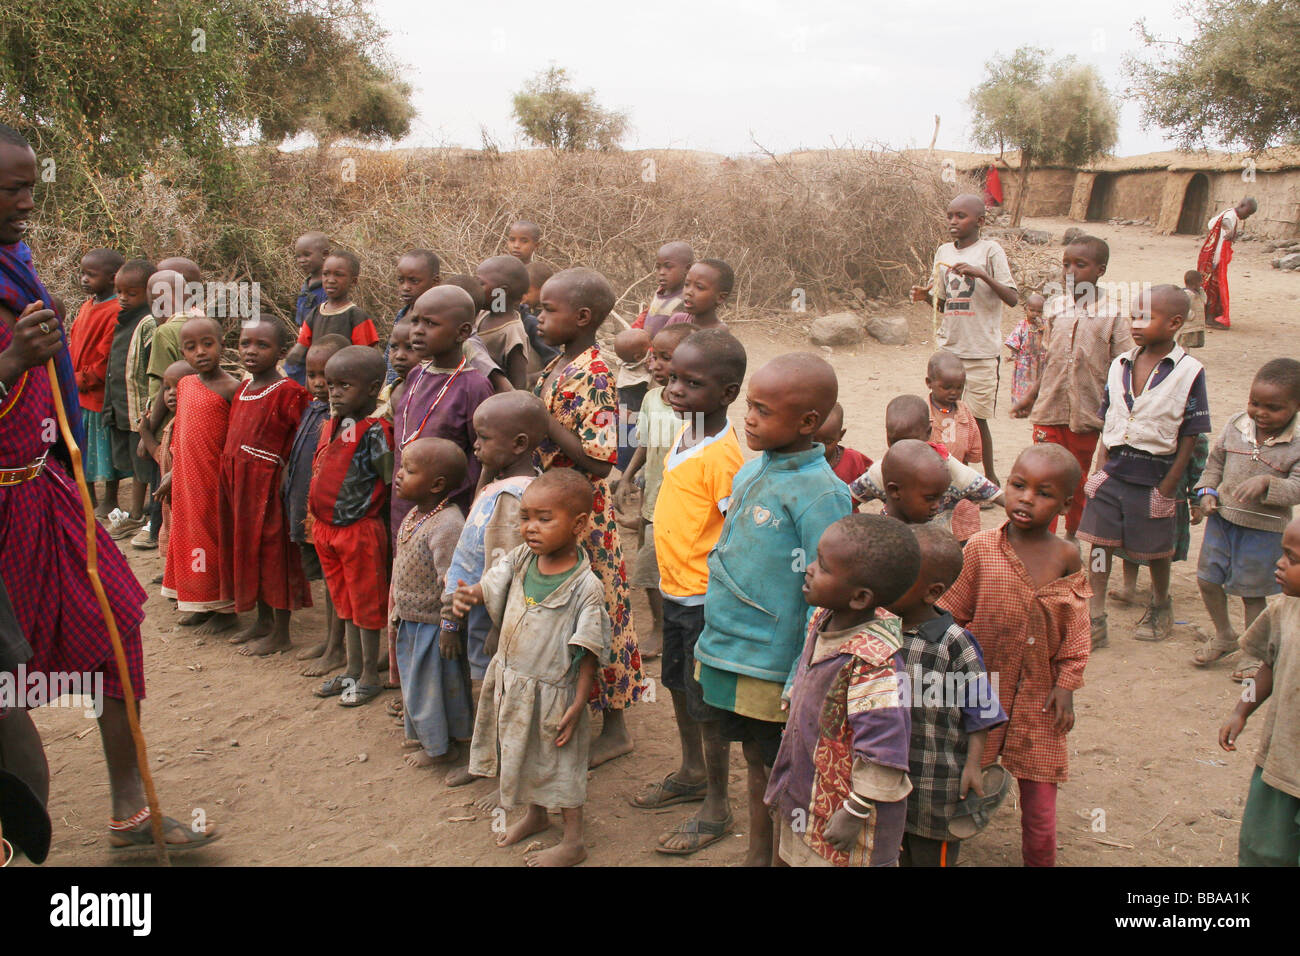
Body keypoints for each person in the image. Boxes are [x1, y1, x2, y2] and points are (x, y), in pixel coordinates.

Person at [0, 123, 216, 848]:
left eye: (31, 184)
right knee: (5, 687)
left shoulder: (14, 269)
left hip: (41, 491)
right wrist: (8, 364)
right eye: (12, 188)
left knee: (116, 630)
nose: (27, 201)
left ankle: (131, 811)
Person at [664, 353, 849, 863]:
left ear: (808, 422)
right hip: (727, 646)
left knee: (777, 766)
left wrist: (802, 670)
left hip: (774, 664)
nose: (749, 419)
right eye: (750, 406)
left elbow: (826, 597)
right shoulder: (750, 472)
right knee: (753, 757)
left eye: (763, 411)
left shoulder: (822, 495)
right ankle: (758, 855)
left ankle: (777, 856)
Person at [939, 444, 1090, 866]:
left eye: (1043, 493)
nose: (1025, 498)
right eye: (1018, 485)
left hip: (1041, 697)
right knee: (960, 791)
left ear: (1065, 503)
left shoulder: (1067, 557)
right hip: (980, 690)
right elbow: (950, 616)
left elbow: (1075, 628)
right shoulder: (981, 548)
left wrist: (1067, 685)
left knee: (1041, 813)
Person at [454, 469, 612, 868]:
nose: (531, 528)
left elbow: (588, 650)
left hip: (556, 693)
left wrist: (578, 703)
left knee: (561, 764)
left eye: (545, 519)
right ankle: (537, 815)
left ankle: (574, 841)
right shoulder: (524, 557)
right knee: (521, 751)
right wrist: (472, 593)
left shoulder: (585, 587)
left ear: (577, 524)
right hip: (514, 680)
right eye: (525, 517)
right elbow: (494, 582)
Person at [630, 330, 746, 833]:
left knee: (708, 702)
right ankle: (692, 771)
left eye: (691, 382)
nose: (674, 389)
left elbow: (736, 536)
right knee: (677, 685)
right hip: (676, 592)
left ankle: (717, 804)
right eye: (673, 377)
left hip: (703, 601)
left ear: (727, 394)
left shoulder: (725, 458)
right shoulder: (688, 431)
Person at [533, 267, 646, 768]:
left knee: (603, 614)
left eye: (546, 310)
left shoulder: (595, 372)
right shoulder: (560, 362)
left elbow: (601, 459)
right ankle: (578, 709)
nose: (537, 317)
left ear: (581, 317)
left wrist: (544, 423)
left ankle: (616, 727)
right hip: (560, 506)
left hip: (588, 517)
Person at [765, 514, 918, 866]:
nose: (809, 569)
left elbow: (884, 750)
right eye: (816, 558)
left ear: (860, 597)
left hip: (846, 813)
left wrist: (854, 812)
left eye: (825, 567)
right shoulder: (824, 617)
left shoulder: (873, 663)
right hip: (808, 787)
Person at [1078, 285, 1212, 646]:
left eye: (1146, 317)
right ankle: (1096, 615)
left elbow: (1191, 434)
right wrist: (1100, 469)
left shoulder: (1189, 372)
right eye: (1133, 315)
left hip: (1157, 474)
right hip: (1116, 470)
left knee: (1156, 550)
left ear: (1174, 323)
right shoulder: (1120, 364)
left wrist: (1171, 485)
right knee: (1100, 546)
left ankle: (1160, 604)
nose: (1136, 323)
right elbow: (1109, 421)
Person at [441, 391, 549, 791]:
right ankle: (489, 757)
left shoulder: (514, 497)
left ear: (519, 444)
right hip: (481, 609)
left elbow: (511, 570)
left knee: (497, 690)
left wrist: (495, 626)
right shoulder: (501, 484)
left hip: (497, 617)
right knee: (487, 686)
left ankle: (502, 763)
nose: (475, 445)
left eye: (484, 439)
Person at [890, 525, 1006, 867]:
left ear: (932, 592)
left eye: (898, 578)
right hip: (886, 777)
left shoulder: (954, 643)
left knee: (930, 856)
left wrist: (973, 765)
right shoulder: (877, 630)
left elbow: (980, 709)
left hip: (937, 782)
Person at [1012, 235, 1134, 540]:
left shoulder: (1114, 315)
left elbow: (1124, 367)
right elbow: (1050, 360)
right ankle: (1041, 536)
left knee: (1077, 481)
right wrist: (1030, 395)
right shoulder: (1055, 309)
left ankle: (1070, 539)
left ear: (1100, 270)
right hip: (1048, 410)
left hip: (1086, 417)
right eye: (1066, 264)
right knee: (1041, 476)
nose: (1071, 271)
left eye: (1080, 265)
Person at [1193, 359, 1300, 677]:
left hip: (1263, 530)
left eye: (1273, 408)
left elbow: (1297, 487)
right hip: (1223, 520)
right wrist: (1207, 492)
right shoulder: (1237, 426)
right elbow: (1215, 462)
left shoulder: (1296, 443)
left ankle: (1253, 652)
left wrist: (1269, 483)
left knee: (1251, 591)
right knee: (1208, 579)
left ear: (1296, 406)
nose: (1261, 413)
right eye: (1255, 403)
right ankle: (1225, 634)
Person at [910, 193, 1019, 488]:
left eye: (961, 216)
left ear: (980, 221)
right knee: (944, 415)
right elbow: (945, 304)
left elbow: (1012, 297)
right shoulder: (943, 251)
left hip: (981, 350)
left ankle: (988, 476)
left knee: (977, 418)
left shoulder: (990, 251)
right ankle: (950, 475)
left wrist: (981, 275)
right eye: (950, 216)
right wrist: (926, 297)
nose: (953, 222)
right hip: (950, 350)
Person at [307, 346, 395, 708]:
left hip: (359, 531)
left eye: (345, 385)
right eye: (331, 385)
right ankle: (352, 668)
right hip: (328, 530)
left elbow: (388, 480)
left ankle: (370, 676)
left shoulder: (376, 431)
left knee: (365, 605)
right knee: (343, 602)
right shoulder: (332, 424)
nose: (335, 392)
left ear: (373, 388)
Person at [220, 317, 312, 655]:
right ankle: (262, 621)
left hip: (269, 487)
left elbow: (303, 442)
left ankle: (281, 633)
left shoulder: (290, 392)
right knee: (248, 549)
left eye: (262, 345)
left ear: (281, 351)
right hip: (238, 485)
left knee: (275, 554)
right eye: (245, 343)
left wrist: (287, 479)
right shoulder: (242, 388)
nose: (251, 351)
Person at [1218, 516, 1300, 866]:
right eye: (1282, 554)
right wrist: (1241, 710)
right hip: (1283, 762)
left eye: (1292, 559)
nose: (1279, 564)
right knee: (1265, 850)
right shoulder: (1284, 610)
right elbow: (1268, 666)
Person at [385, 436, 471, 762]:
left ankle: (440, 749)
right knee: (416, 684)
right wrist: (398, 612)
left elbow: (454, 582)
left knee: (434, 688)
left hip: (434, 626)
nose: (399, 475)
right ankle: (426, 737)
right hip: (411, 621)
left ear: (436, 484)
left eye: (409, 470)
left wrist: (450, 625)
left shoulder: (447, 524)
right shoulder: (414, 515)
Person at [616, 322, 698, 659]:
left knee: (672, 570)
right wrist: (626, 477)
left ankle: (673, 629)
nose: (654, 364)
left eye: (665, 358)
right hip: (650, 504)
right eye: (654, 357)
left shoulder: (697, 409)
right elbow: (645, 444)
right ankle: (659, 627)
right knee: (648, 572)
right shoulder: (651, 398)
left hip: (681, 507)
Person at [160, 316, 239, 632]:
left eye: (207, 344)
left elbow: (235, 441)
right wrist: (172, 473)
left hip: (212, 482)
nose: (200, 353)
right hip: (185, 479)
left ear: (222, 345)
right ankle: (197, 603)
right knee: (186, 538)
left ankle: (223, 610)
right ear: (182, 352)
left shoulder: (232, 388)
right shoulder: (185, 384)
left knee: (211, 541)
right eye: (191, 348)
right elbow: (181, 433)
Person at [394, 284, 494, 526]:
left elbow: (483, 457)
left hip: (446, 511)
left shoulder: (474, 386)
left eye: (430, 324)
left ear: (463, 332)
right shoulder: (415, 375)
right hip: (403, 503)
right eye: (415, 321)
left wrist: (473, 509)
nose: (417, 331)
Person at [284, 334, 351, 676]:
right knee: (326, 580)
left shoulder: (344, 420)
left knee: (334, 582)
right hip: (307, 513)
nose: (320, 383)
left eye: (327, 375)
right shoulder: (313, 409)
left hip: (329, 516)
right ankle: (330, 640)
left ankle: (337, 646)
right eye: (312, 375)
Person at [849, 395, 1002, 528]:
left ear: (928, 431)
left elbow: (984, 487)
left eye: (910, 440)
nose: (904, 448)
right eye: (895, 441)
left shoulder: (945, 465)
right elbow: (845, 499)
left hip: (937, 547)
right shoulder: (883, 469)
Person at [101, 258, 156, 539]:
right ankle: (134, 513)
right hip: (121, 405)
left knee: (141, 465)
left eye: (130, 293)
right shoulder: (122, 319)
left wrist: (148, 413)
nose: (122, 298)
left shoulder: (148, 323)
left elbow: (150, 371)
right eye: (119, 291)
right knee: (129, 460)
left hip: (139, 410)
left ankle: (136, 515)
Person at [68, 248, 126, 511]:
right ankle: (87, 495)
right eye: (82, 274)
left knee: (104, 449)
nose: (84, 279)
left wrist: (82, 378)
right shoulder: (87, 306)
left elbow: (107, 356)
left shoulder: (116, 310)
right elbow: (73, 344)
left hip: (98, 393)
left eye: (90, 275)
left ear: (113, 277)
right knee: (80, 447)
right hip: (77, 390)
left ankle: (110, 499)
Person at [137, 360, 195, 582]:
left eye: (177, 387)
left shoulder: (192, 423)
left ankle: (187, 580)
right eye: (166, 388)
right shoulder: (172, 425)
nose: (171, 394)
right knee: (174, 535)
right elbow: (162, 457)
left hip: (187, 499)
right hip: (172, 501)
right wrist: (145, 433)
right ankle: (175, 573)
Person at [284, 249, 378, 373]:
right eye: (326, 274)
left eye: (338, 275)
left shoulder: (356, 316)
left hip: (345, 379)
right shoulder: (315, 314)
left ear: (353, 281)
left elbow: (365, 357)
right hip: (317, 381)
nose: (330, 280)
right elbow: (300, 348)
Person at [926, 350, 986, 540]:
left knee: (964, 522)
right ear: (929, 383)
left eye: (959, 387)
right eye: (947, 387)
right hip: (930, 482)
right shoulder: (923, 412)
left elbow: (974, 440)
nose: (954, 392)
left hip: (959, 478)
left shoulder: (964, 411)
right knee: (933, 529)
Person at [472, 255, 536, 390]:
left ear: (501, 292)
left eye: (481, 284)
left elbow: (518, 385)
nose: (475, 288)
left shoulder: (512, 332)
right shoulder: (483, 314)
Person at [504, 220, 559, 368]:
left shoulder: (538, 274)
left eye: (524, 241)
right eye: (512, 240)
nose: (516, 245)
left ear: (536, 245)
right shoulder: (500, 273)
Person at [1198, 197, 1257, 331]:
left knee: (1208, 288)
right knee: (1212, 289)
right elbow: (1225, 222)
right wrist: (1229, 230)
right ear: (1241, 205)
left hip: (1210, 256)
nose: (1246, 216)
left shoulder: (1228, 213)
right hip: (1213, 259)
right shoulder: (1230, 216)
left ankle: (1205, 316)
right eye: (1247, 213)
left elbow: (1211, 224)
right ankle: (1209, 318)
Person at [285, 231, 330, 384]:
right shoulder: (307, 285)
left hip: (320, 345)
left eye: (306, 255)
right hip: (304, 342)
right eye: (298, 256)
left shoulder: (329, 288)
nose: (301, 260)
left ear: (325, 254)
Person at [388, 248, 439, 384]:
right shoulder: (402, 314)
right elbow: (389, 355)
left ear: (435, 282)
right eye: (401, 280)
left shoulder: (436, 320)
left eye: (414, 281)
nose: (405, 287)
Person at [879, 439, 953, 525]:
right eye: (929, 498)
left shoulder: (921, 529)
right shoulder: (882, 536)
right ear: (895, 491)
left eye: (940, 497)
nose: (937, 506)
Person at [813, 402, 872, 509]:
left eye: (828, 442)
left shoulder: (853, 459)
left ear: (840, 435)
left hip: (846, 522)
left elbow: (875, 478)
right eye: (813, 441)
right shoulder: (798, 461)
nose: (821, 448)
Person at [634, 241, 694, 337]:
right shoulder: (661, 292)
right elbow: (648, 315)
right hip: (644, 348)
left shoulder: (687, 300)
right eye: (658, 267)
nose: (661, 272)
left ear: (687, 269)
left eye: (668, 267)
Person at [613, 327, 652, 472]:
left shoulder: (624, 362)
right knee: (631, 447)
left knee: (626, 445)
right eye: (650, 345)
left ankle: (625, 474)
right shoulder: (642, 370)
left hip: (624, 412)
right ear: (638, 357)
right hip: (634, 416)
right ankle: (627, 476)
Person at [1005, 291, 1046, 409]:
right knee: (1023, 383)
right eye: (1032, 310)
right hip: (1024, 362)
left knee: (1040, 383)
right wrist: (1013, 355)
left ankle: (1038, 404)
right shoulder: (1022, 325)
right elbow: (1014, 341)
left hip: (1041, 362)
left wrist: (1044, 330)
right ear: (1025, 309)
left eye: (1039, 312)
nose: (1035, 314)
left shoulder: (1045, 325)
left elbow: (1050, 339)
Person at [668, 258, 732, 330]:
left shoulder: (718, 332)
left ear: (720, 298)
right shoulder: (677, 320)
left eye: (699, 287)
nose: (689, 292)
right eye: (686, 284)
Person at [376, 318, 415, 422]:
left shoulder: (435, 392)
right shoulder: (388, 392)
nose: (399, 356)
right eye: (394, 347)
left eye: (410, 348)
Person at [1180, 269, 1207, 349]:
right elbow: (1183, 308)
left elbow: (1204, 301)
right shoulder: (1186, 295)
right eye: (1200, 282)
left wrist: (1201, 290)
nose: (1202, 284)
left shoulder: (1198, 293)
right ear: (1195, 283)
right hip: (1187, 327)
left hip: (1194, 327)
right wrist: (1191, 315)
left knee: (1188, 344)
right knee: (1183, 346)